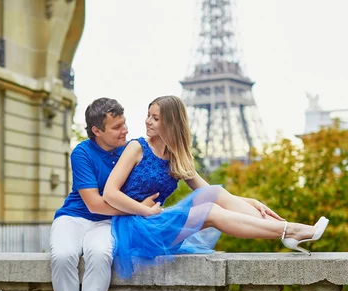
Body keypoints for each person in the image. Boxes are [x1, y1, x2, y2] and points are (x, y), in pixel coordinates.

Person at [103, 95, 329, 279]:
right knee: (210, 211)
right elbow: (110, 193)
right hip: (134, 227)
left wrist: (249, 202)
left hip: (156, 222)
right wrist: (144, 210)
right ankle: (290, 231)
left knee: (213, 197)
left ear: (171, 123)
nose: (147, 122)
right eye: (148, 116)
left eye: (155, 118)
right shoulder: (137, 147)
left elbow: (209, 191)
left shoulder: (176, 157)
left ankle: (288, 230)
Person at [50, 98, 159, 291]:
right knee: (63, 256)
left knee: (100, 255)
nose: (125, 130)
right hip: (74, 217)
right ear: (97, 131)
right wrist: (139, 210)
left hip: (107, 223)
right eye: (116, 127)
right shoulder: (82, 153)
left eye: (124, 124)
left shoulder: (130, 150)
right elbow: (94, 203)